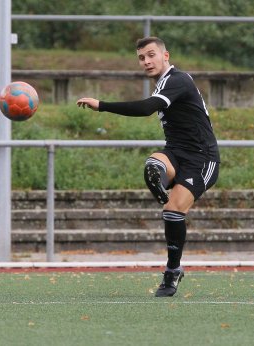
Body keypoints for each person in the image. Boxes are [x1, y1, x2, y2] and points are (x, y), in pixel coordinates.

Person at [76, 36, 219, 297]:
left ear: (166, 56)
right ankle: (166, 198)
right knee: (153, 167)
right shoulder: (163, 83)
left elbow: (146, 109)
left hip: (202, 158)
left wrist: (102, 106)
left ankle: (172, 270)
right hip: (176, 152)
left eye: (152, 55)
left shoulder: (178, 79)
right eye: (142, 57)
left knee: (174, 211)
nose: (147, 61)